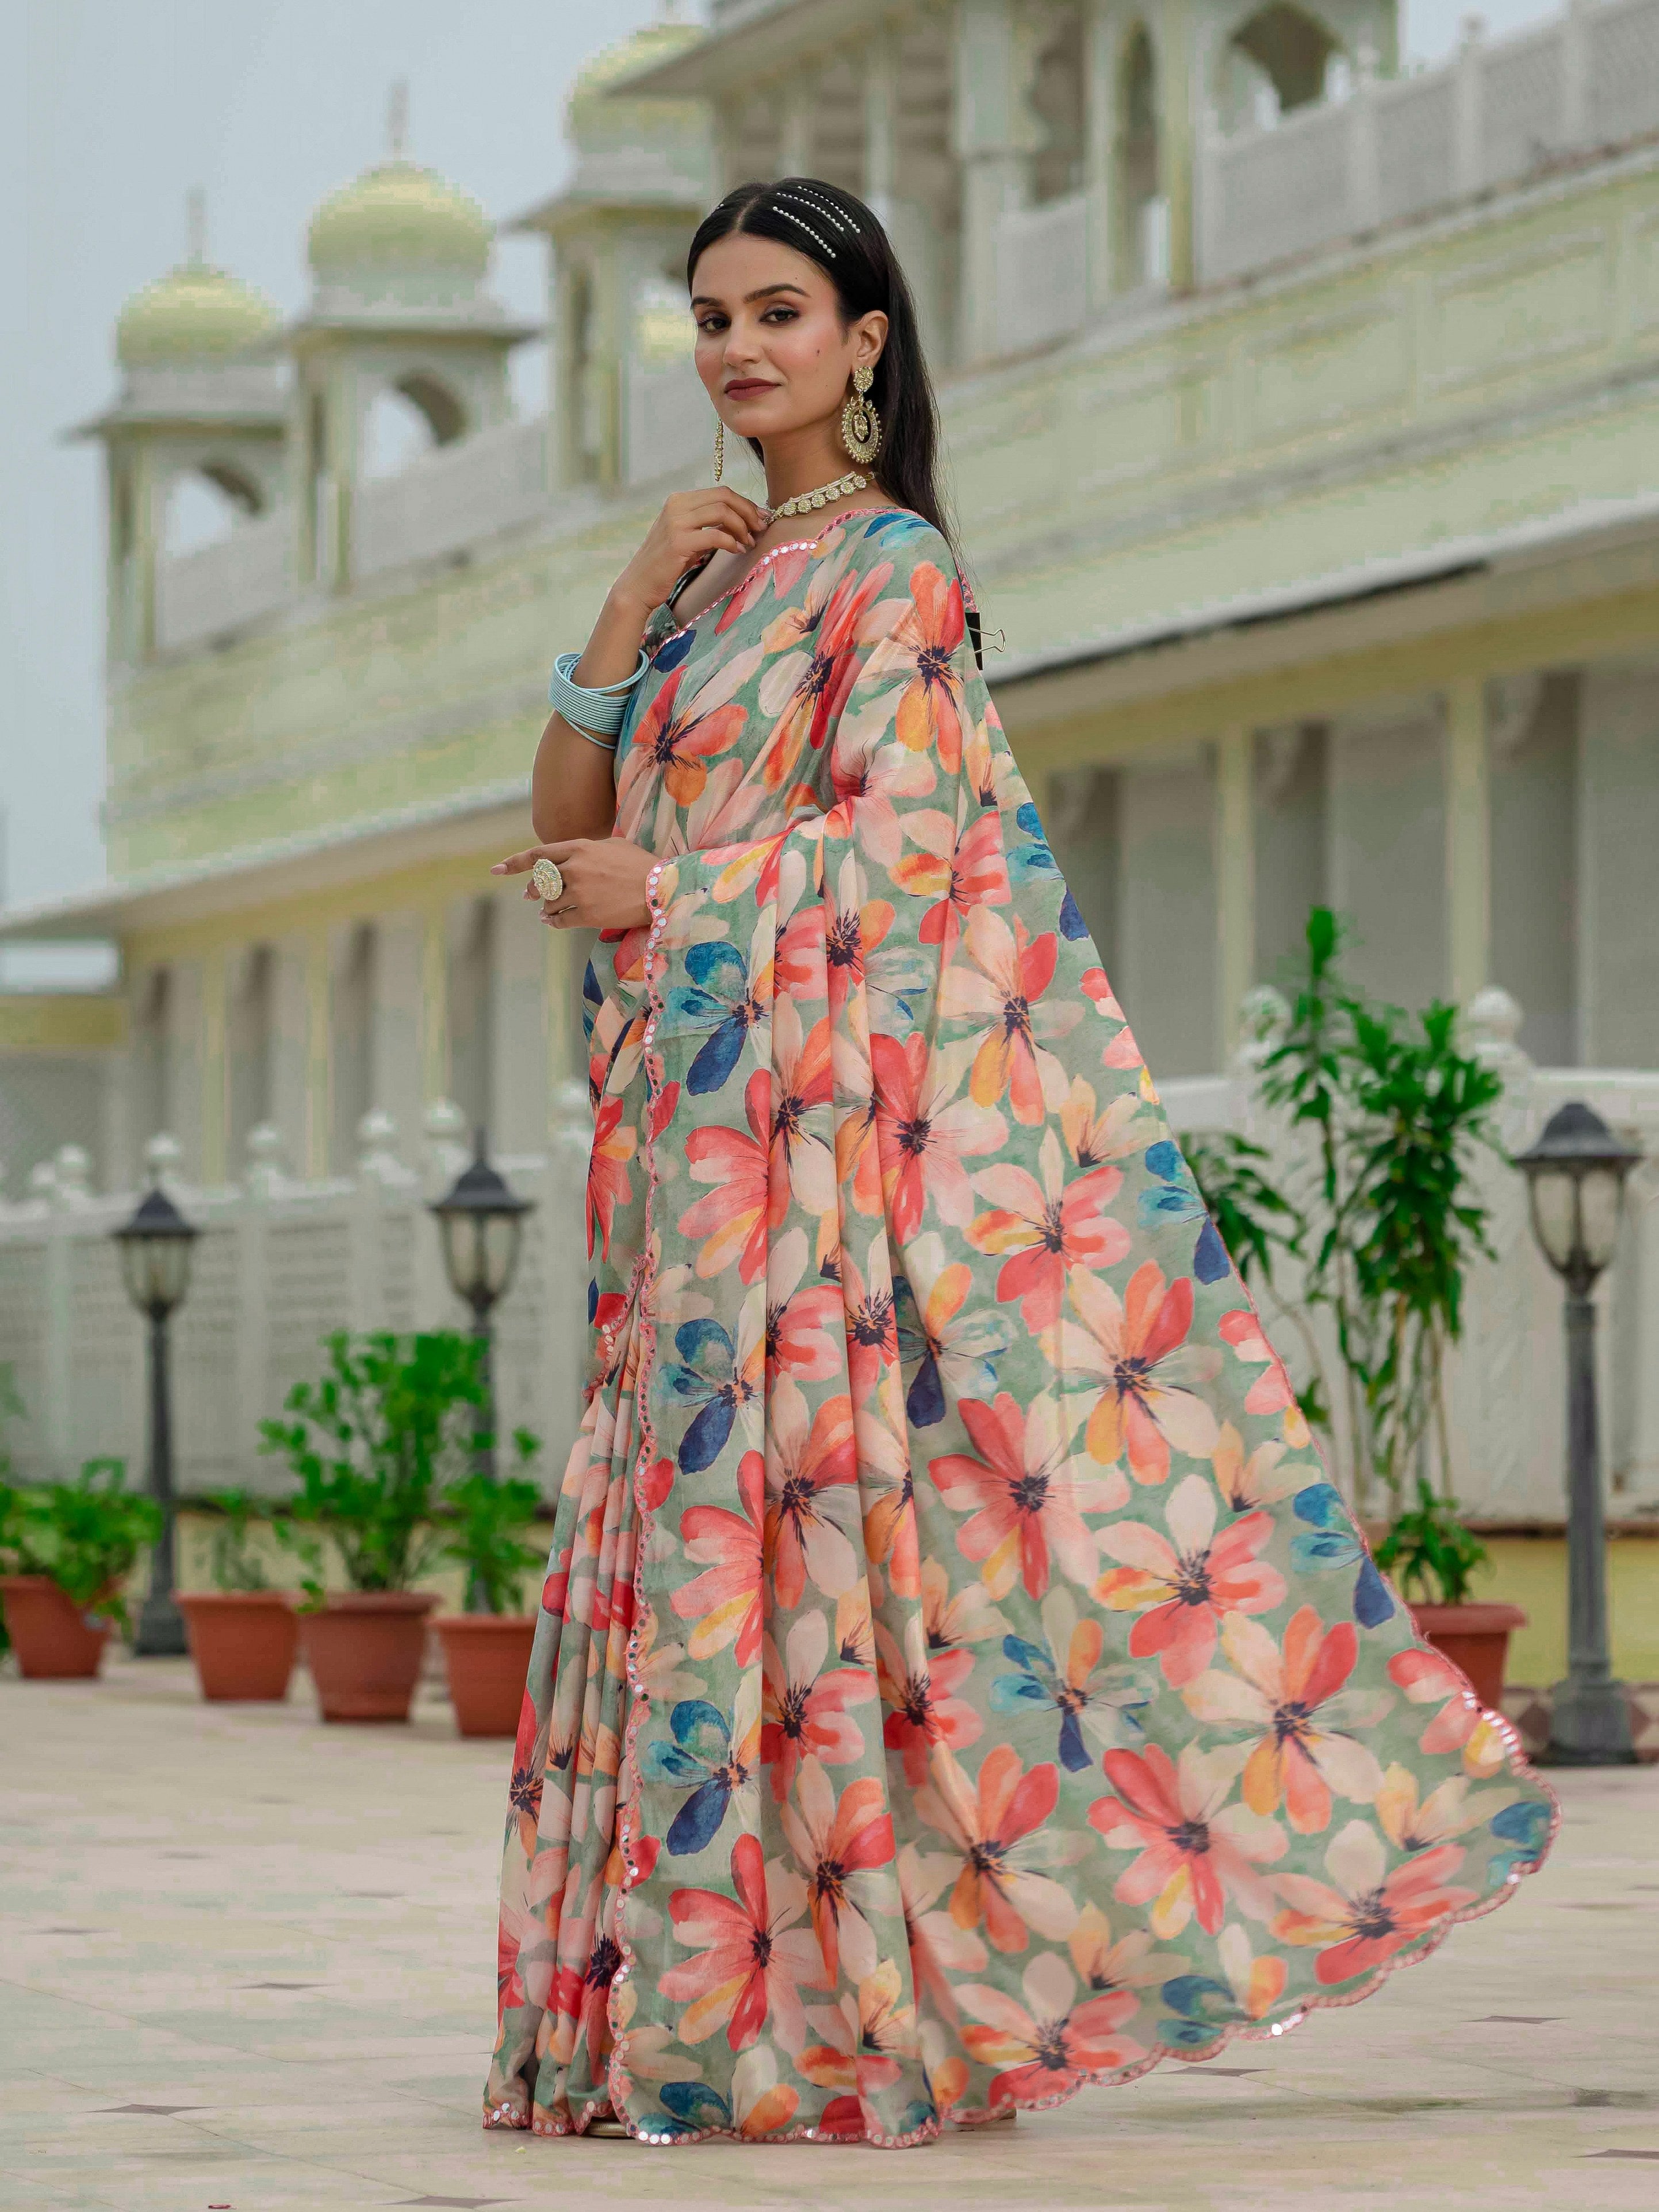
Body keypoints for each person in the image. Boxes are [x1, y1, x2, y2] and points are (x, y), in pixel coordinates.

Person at [482, 177, 1555, 2150]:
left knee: (815, 1550)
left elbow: (909, 854)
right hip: (689, 1144)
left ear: (865, 339)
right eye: (712, 317)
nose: (739, 349)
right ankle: (687, 2008)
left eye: (779, 311)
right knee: (698, 1540)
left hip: (807, 1155)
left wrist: (676, 894)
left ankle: (813, 2010)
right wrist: (627, 605)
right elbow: (568, 820)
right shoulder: (716, 583)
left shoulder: (892, 570)